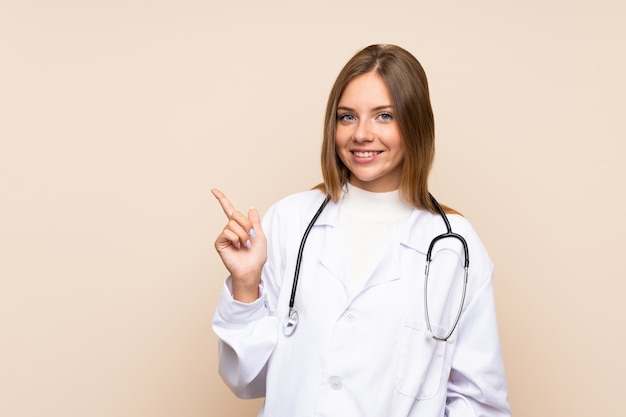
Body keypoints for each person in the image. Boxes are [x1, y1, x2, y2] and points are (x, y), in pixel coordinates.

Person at [211, 44, 510, 417]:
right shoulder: (289, 221)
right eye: (347, 117)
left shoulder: (455, 247)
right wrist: (245, 284)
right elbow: (246, 380)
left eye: (384, 116)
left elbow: (479, 403)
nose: (362, 135)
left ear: (415, 125)